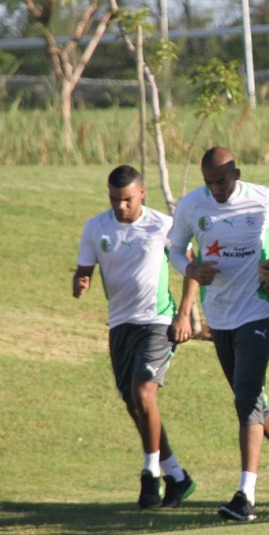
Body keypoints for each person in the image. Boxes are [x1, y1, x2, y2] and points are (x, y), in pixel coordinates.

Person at [168, 148, 269, 522]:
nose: (216, 190)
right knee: (251, 397)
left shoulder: (261, 199)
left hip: (258, 311)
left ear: (237, 174)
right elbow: (174, 248)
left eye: (222, 182)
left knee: (245, 397)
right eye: (209, 183)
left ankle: (246, 495)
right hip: (220, 318)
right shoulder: (193, 205)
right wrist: (191, 269)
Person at [73, 165, 197, 509]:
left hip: (158, 321)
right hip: (121, 325)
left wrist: (184, 315)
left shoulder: (163, 225)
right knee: (135, 405)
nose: (120, 206)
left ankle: (150, 476)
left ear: (142, 193)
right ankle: (178, 476)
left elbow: (192, 266)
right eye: (114, 199)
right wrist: (81, 281)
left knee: (143, 392)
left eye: (127, 199)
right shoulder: (96, 227)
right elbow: (85, 268)